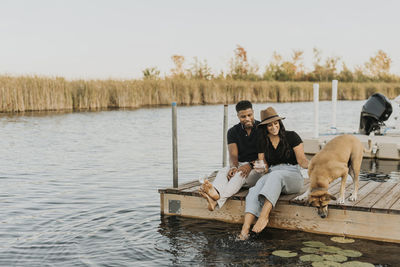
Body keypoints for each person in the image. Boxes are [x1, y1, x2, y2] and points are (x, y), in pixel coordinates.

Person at [239, 106, 309, 240]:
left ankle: (264, 216)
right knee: (254, 190)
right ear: (265, 127)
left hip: (293, 176)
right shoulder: (262, 141)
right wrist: (261, 169)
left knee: (276, 176)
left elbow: (302, 161)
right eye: (269, 125)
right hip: (272, 174)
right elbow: (264, 167)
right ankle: (245, 230)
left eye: (275, 123)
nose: (273, 127)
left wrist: (314, 165)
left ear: (279, 123)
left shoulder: (292, 136)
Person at [199, 100, 263, 211]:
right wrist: (233, 166)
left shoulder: (262, 129)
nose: (247, 118)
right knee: (224, 171)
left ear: (253, 112)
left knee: (240, 174)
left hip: (259, 167)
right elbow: (233, 155)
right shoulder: (233, 131)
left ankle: (217, 200)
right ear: (238, 116)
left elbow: (266, 157)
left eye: (250, 115)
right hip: (241, 165)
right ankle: (216, 192)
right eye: (243, 116)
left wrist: (250, 166)